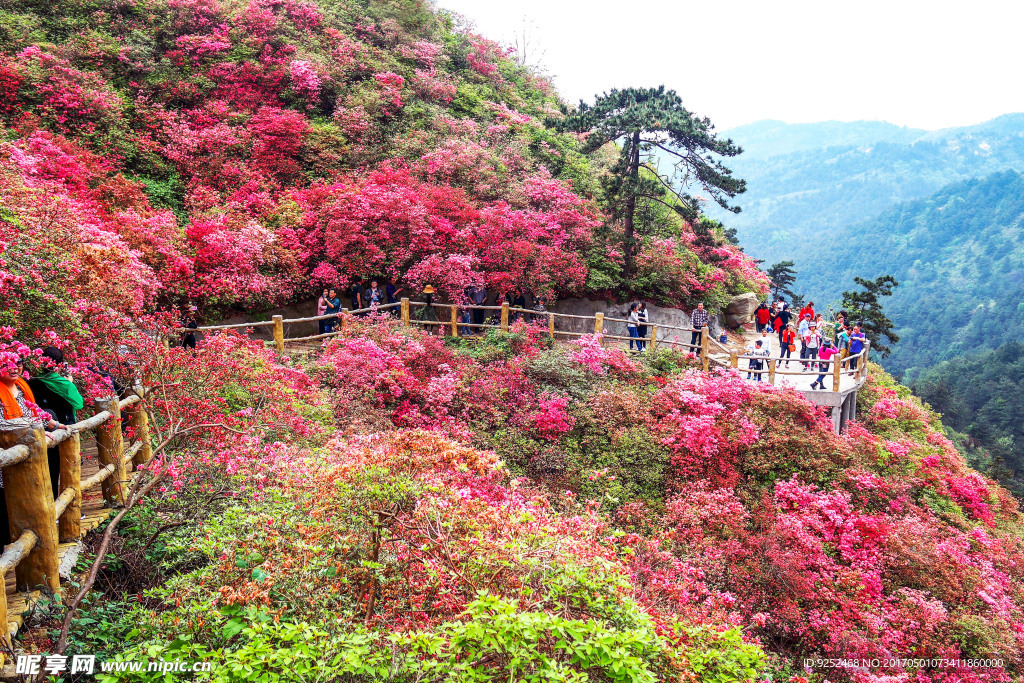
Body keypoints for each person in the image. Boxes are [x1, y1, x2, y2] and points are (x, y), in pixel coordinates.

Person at [1, 355, 66, 546]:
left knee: (24, 498)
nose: (13, 368)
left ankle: (22, 540)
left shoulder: (22, 386)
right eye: (6, 365)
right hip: (7, 450)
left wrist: (51, 423)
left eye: (18, 364)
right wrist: (35, 432)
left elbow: (32, 409)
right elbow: (4, 422)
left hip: (25, 450)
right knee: (6, 499)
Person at [28, 347, 84, 499]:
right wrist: (69, 382)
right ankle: (68, 504)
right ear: (59, 364)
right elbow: (79, 403)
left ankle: (51, 503)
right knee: (66, 469)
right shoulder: (64, 384)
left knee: (49, 469)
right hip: (63, 429)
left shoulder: (32, 381)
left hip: (43, 429)